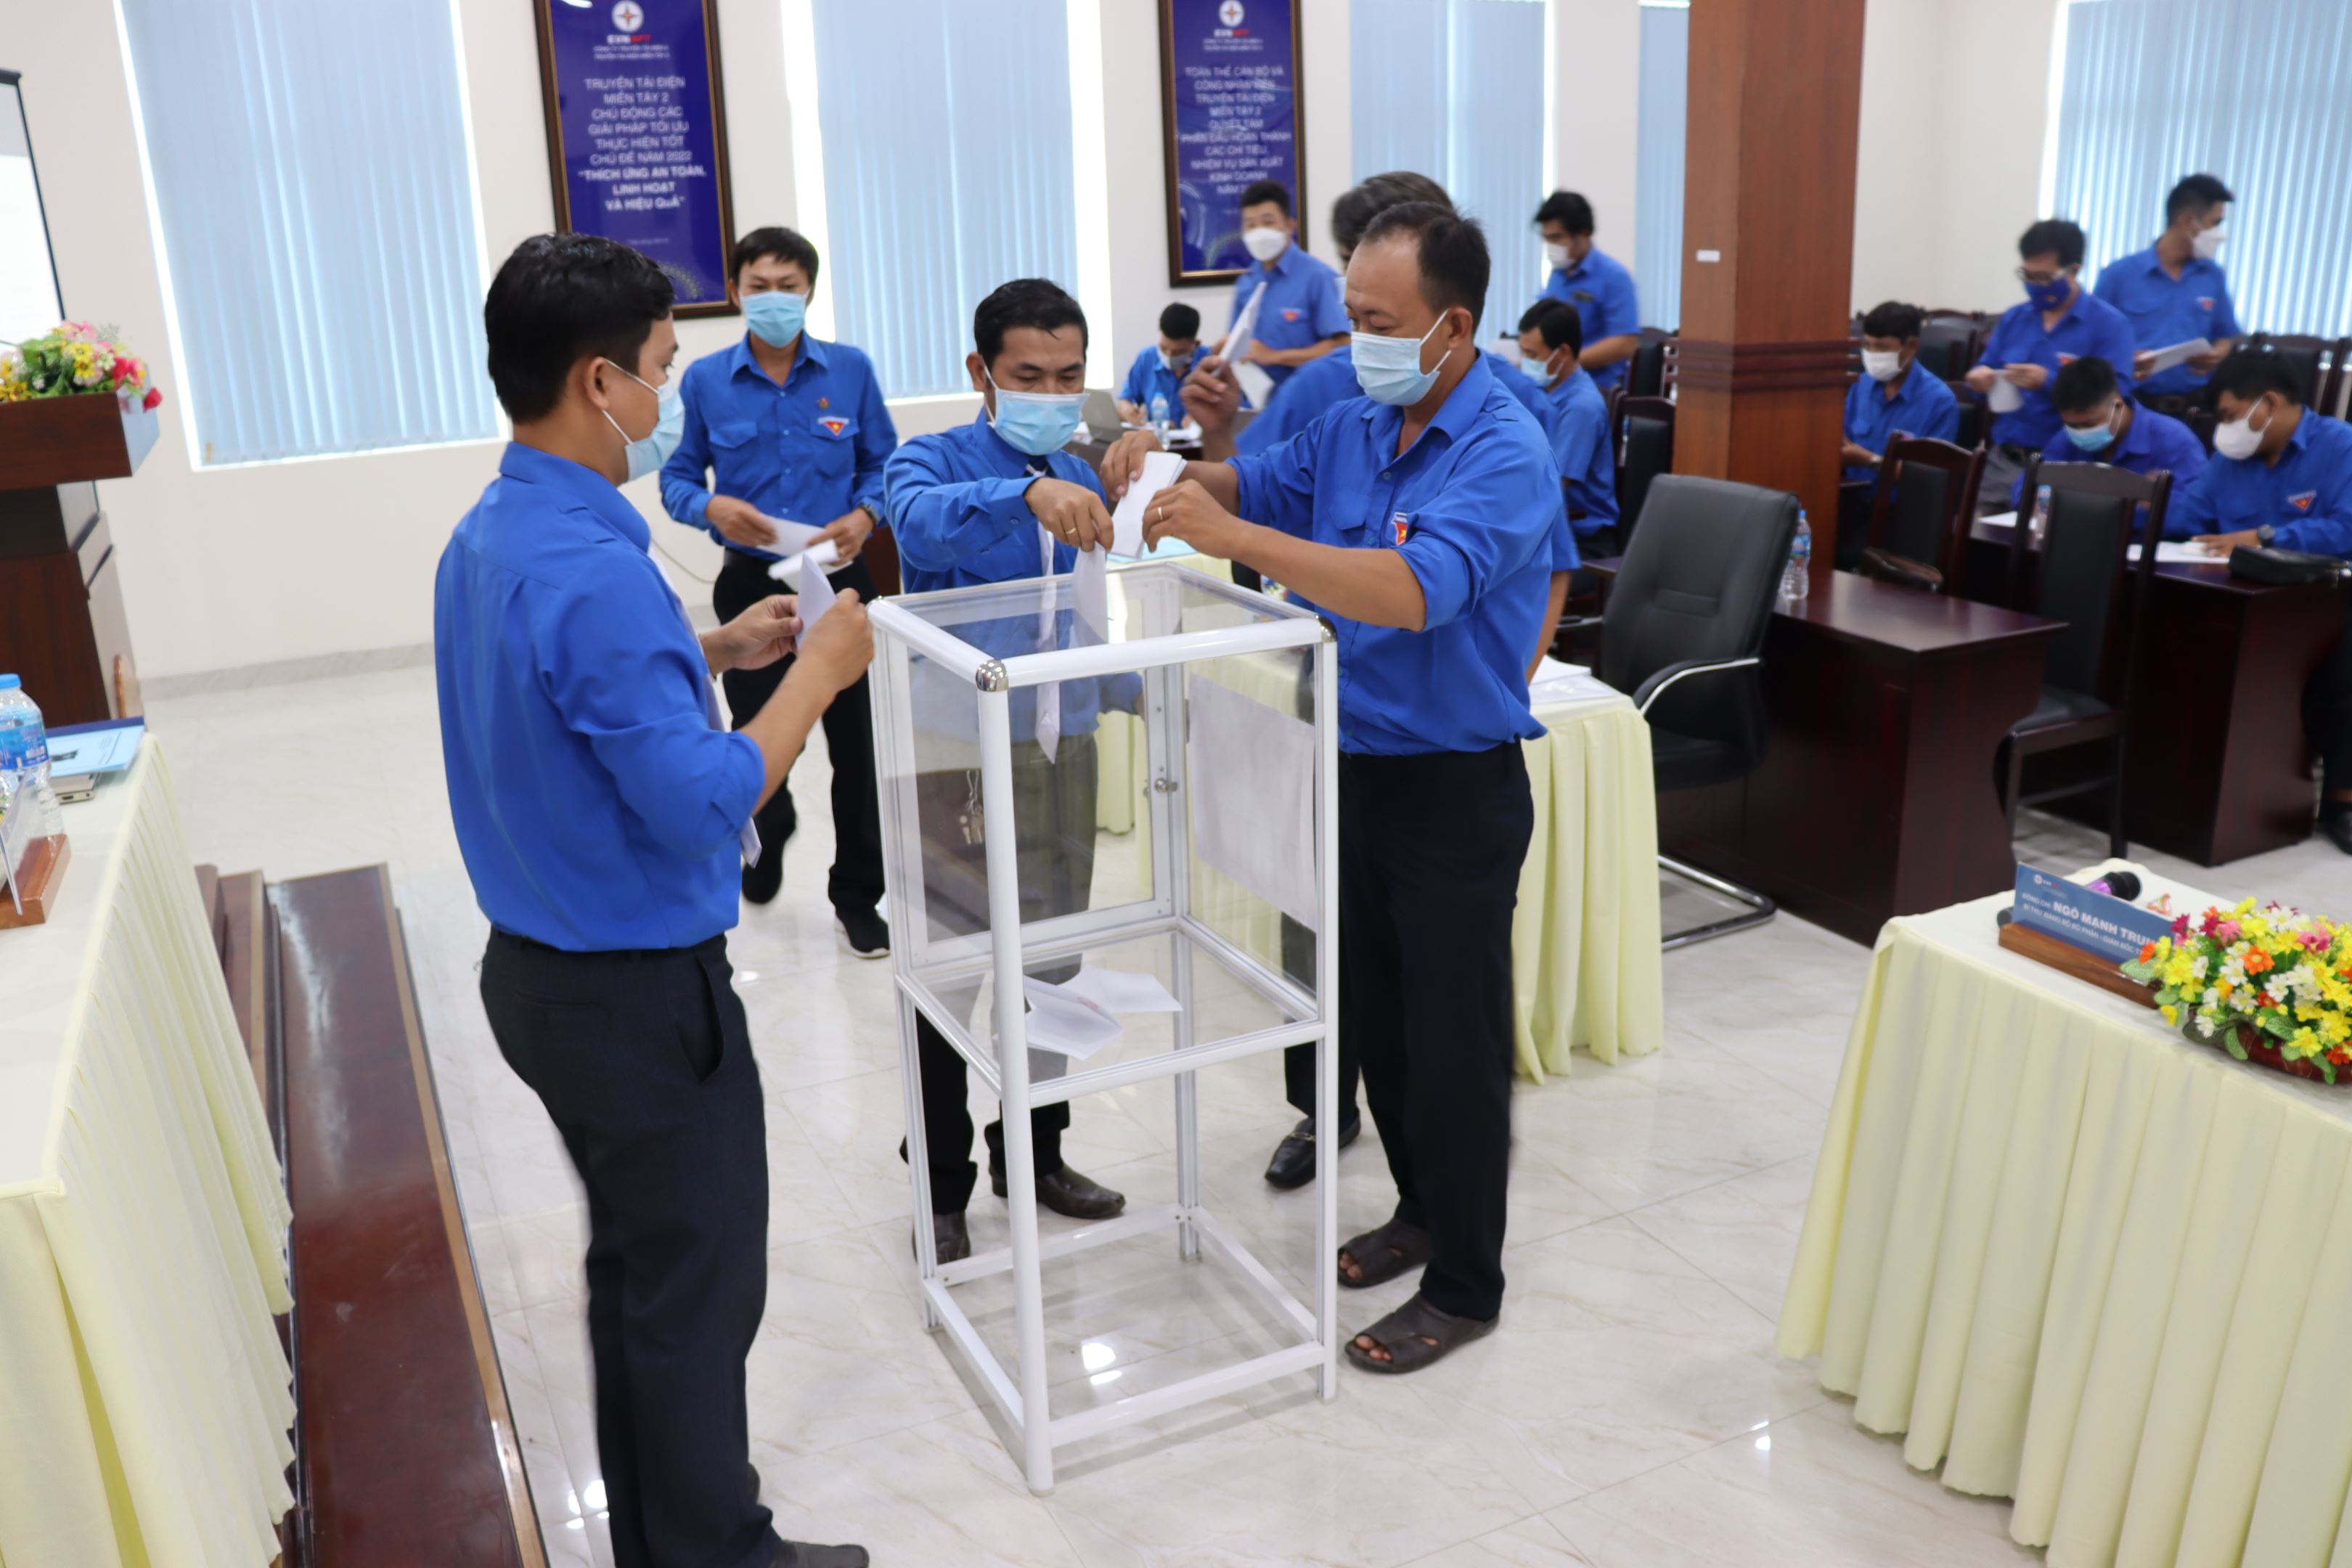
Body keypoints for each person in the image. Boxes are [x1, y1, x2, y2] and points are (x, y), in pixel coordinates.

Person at [436, 232, 873, 1568]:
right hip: (633, 998)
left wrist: (715, 650)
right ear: (598, 381)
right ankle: (718, 1553)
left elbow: (565, 691)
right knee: (697, 1291)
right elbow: (700, 803)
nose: (669, 396)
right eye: (663, 369)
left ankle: (667, 1542)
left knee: (639, 1273)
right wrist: (815, 676)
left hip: (538, 971)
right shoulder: (593, 570)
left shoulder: (496, 533)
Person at [1111, 201, 1558, 1373]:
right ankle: (1420, 1211)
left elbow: (1413, 590)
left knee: (1454, 1047)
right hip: (1347, 768)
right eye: (1352, 314)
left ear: (1454, 326)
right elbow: (1258, 482)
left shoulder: (1503, 449)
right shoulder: (1358, 420)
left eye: (1380, 321)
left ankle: (1466, 1283)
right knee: (1380, 1026)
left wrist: (1237, 540)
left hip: (1452, 791)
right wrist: (1172, 472)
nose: (1359, 339)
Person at [883, 278, 1133, 1264]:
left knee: (1052, 968)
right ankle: (940, 1185)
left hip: (1061, 752)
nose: (1053, 394)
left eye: (1070, 376)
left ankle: (1035, 1155)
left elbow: (1093, 605)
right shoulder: (931, 460)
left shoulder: (1084, 465)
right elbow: (917, 523)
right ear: (981, 372)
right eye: (1030, 375)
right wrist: (1023, 492)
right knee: (948, 974)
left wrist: (1147, 688)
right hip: (953, 759)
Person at [660, 226, 895, 955]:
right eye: (758, 286)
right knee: (759, 728)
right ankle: (771, 818)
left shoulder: (850, 370)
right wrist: (712, 508)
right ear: (735, 291)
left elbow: (885, 467)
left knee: (859, 746)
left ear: (809, 292)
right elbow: (676, 479)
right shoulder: (705, 380)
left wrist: (865, 516)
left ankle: (857, 895)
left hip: (840, 579)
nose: (773, 299)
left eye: (787, 287)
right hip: (749, 581)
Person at [2167, 350, 2352, 853]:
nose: (2225, 431)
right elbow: (2187, 516)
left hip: (2326, 597)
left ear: (2267, 404)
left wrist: (2265, 537)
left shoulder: (2339, 446)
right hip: (2244, 601)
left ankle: (2342, 799)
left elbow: (2346, 527)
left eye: (2230, 416)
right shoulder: (2229, 459)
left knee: (2345, 669)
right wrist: (2128, 505)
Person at [1966, 219, 2139, 509]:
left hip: (2069, 464)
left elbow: (2116, 398)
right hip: (2004, 460)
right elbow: (1984, 370)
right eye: (2027, 275)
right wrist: (1979, 379)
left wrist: (2049, 381)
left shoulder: (2109, 325)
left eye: (2044, 278)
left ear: (2073, 270)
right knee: (1974, 533)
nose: (2034, 285)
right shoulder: (2014, 318)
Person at [2092, 173, 2239, 409]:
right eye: (2215, 223)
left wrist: (2218, 354)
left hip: (2195, 407)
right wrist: (2124, 359)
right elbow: (2092, 340)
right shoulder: (2119, 275)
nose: (2220, 235)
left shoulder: (2212, 275)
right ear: (2188, 221)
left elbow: (2227, 335)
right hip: (2132, 406)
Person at [2011, 354, 2206, 507]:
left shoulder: (2175, 441)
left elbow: (2194, 511)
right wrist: (2040, 501)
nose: (2081, 433)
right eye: (2072, 425)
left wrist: (2145, 504)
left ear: (2118, 406)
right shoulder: (2067, 438)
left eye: (2090, 424)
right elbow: (2024, 489)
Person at [1230, 178, 1349, 391]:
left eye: (1268, 223)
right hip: (1255, 401)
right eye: (1251, 225)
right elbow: (1237, 345)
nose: (1259, 232)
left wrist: (1276, 356)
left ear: (1289, 225)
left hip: (1310, 400)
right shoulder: (1246, 282)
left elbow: (1343, 346)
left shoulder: (1318, 277)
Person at [1842, 301, 1960, 481]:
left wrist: (1869, 460)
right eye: (1867, 345)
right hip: (1850, 492)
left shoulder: (1939, 401)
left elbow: (1927, 477)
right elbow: (1842, 440)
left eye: (1882, 347)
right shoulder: (1861, 384)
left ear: (1911, 346)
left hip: (1903, 498)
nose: (1872, 354)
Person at [1532, 189, 1640, 389]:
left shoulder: (1614, 276)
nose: (1551, 246)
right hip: (1556, 381)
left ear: (1584, 233)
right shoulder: (1558, 274)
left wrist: (1565, 364)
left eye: (1556, 238)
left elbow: (1625, 343)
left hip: (1597, 386)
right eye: (1546, 239)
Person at [1116, 302, 1204, 426]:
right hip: (1156, 436)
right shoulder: (1147, 358)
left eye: (1178, 352)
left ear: (1196, 344)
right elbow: (1124, 401)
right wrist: (1128, 411)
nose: (1169, 355)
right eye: (1164, 348)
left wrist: (1200, 422)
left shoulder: (1210, 362)